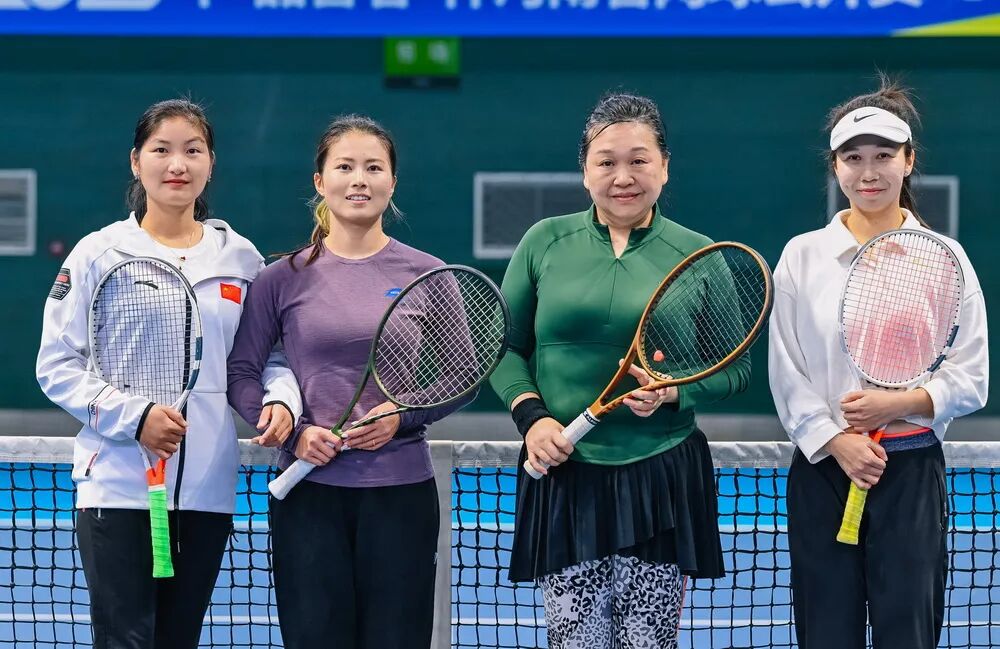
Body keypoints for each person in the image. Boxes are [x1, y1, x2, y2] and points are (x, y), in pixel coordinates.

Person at [36, 98, 302, 649]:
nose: (177, 164)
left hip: (206, 490)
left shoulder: (240, 258)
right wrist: (134, 418)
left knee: (179, 638)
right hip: (118, 487)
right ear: (137, 162)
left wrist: (282, 398)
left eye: (193, 151)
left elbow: (269, 355)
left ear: (210, 164)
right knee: (126, 639)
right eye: (161, 150)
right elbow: (56, 365)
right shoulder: (97, 253)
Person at [489, 93, 749, 649]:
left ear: (665, 166)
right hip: (565, 473)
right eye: (606, 161)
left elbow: (735, 370)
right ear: (585, 171)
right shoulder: (543, 242)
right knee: (575, 642)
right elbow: (503, 349)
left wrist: (673, 392)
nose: (623, 177)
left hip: (661, 475)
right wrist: (533, 420)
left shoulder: (699, 254)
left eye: (639, 160)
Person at [227, 114, 472, 649]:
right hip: (308, 496)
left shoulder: (428, 274)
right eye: (345, 167)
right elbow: (242, 374)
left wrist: (402, 415)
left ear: (392, 182)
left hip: (401, 494)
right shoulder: (279, 279)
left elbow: (462, 377)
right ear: (320, 181)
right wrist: (293, 433)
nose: (359, 179)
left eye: (373, 168)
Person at [768, 77, 989, 649]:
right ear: (835, 168)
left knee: (907, 634)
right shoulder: (801, 256)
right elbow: (786, 370)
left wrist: (899, 403)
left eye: (884, 156)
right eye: (853, 158)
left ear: (908, 162)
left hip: (911, 472)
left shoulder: (947, 258)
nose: (869, 172)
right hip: (824, 471)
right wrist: (835, 440)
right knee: (826, 634)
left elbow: (972, 377)